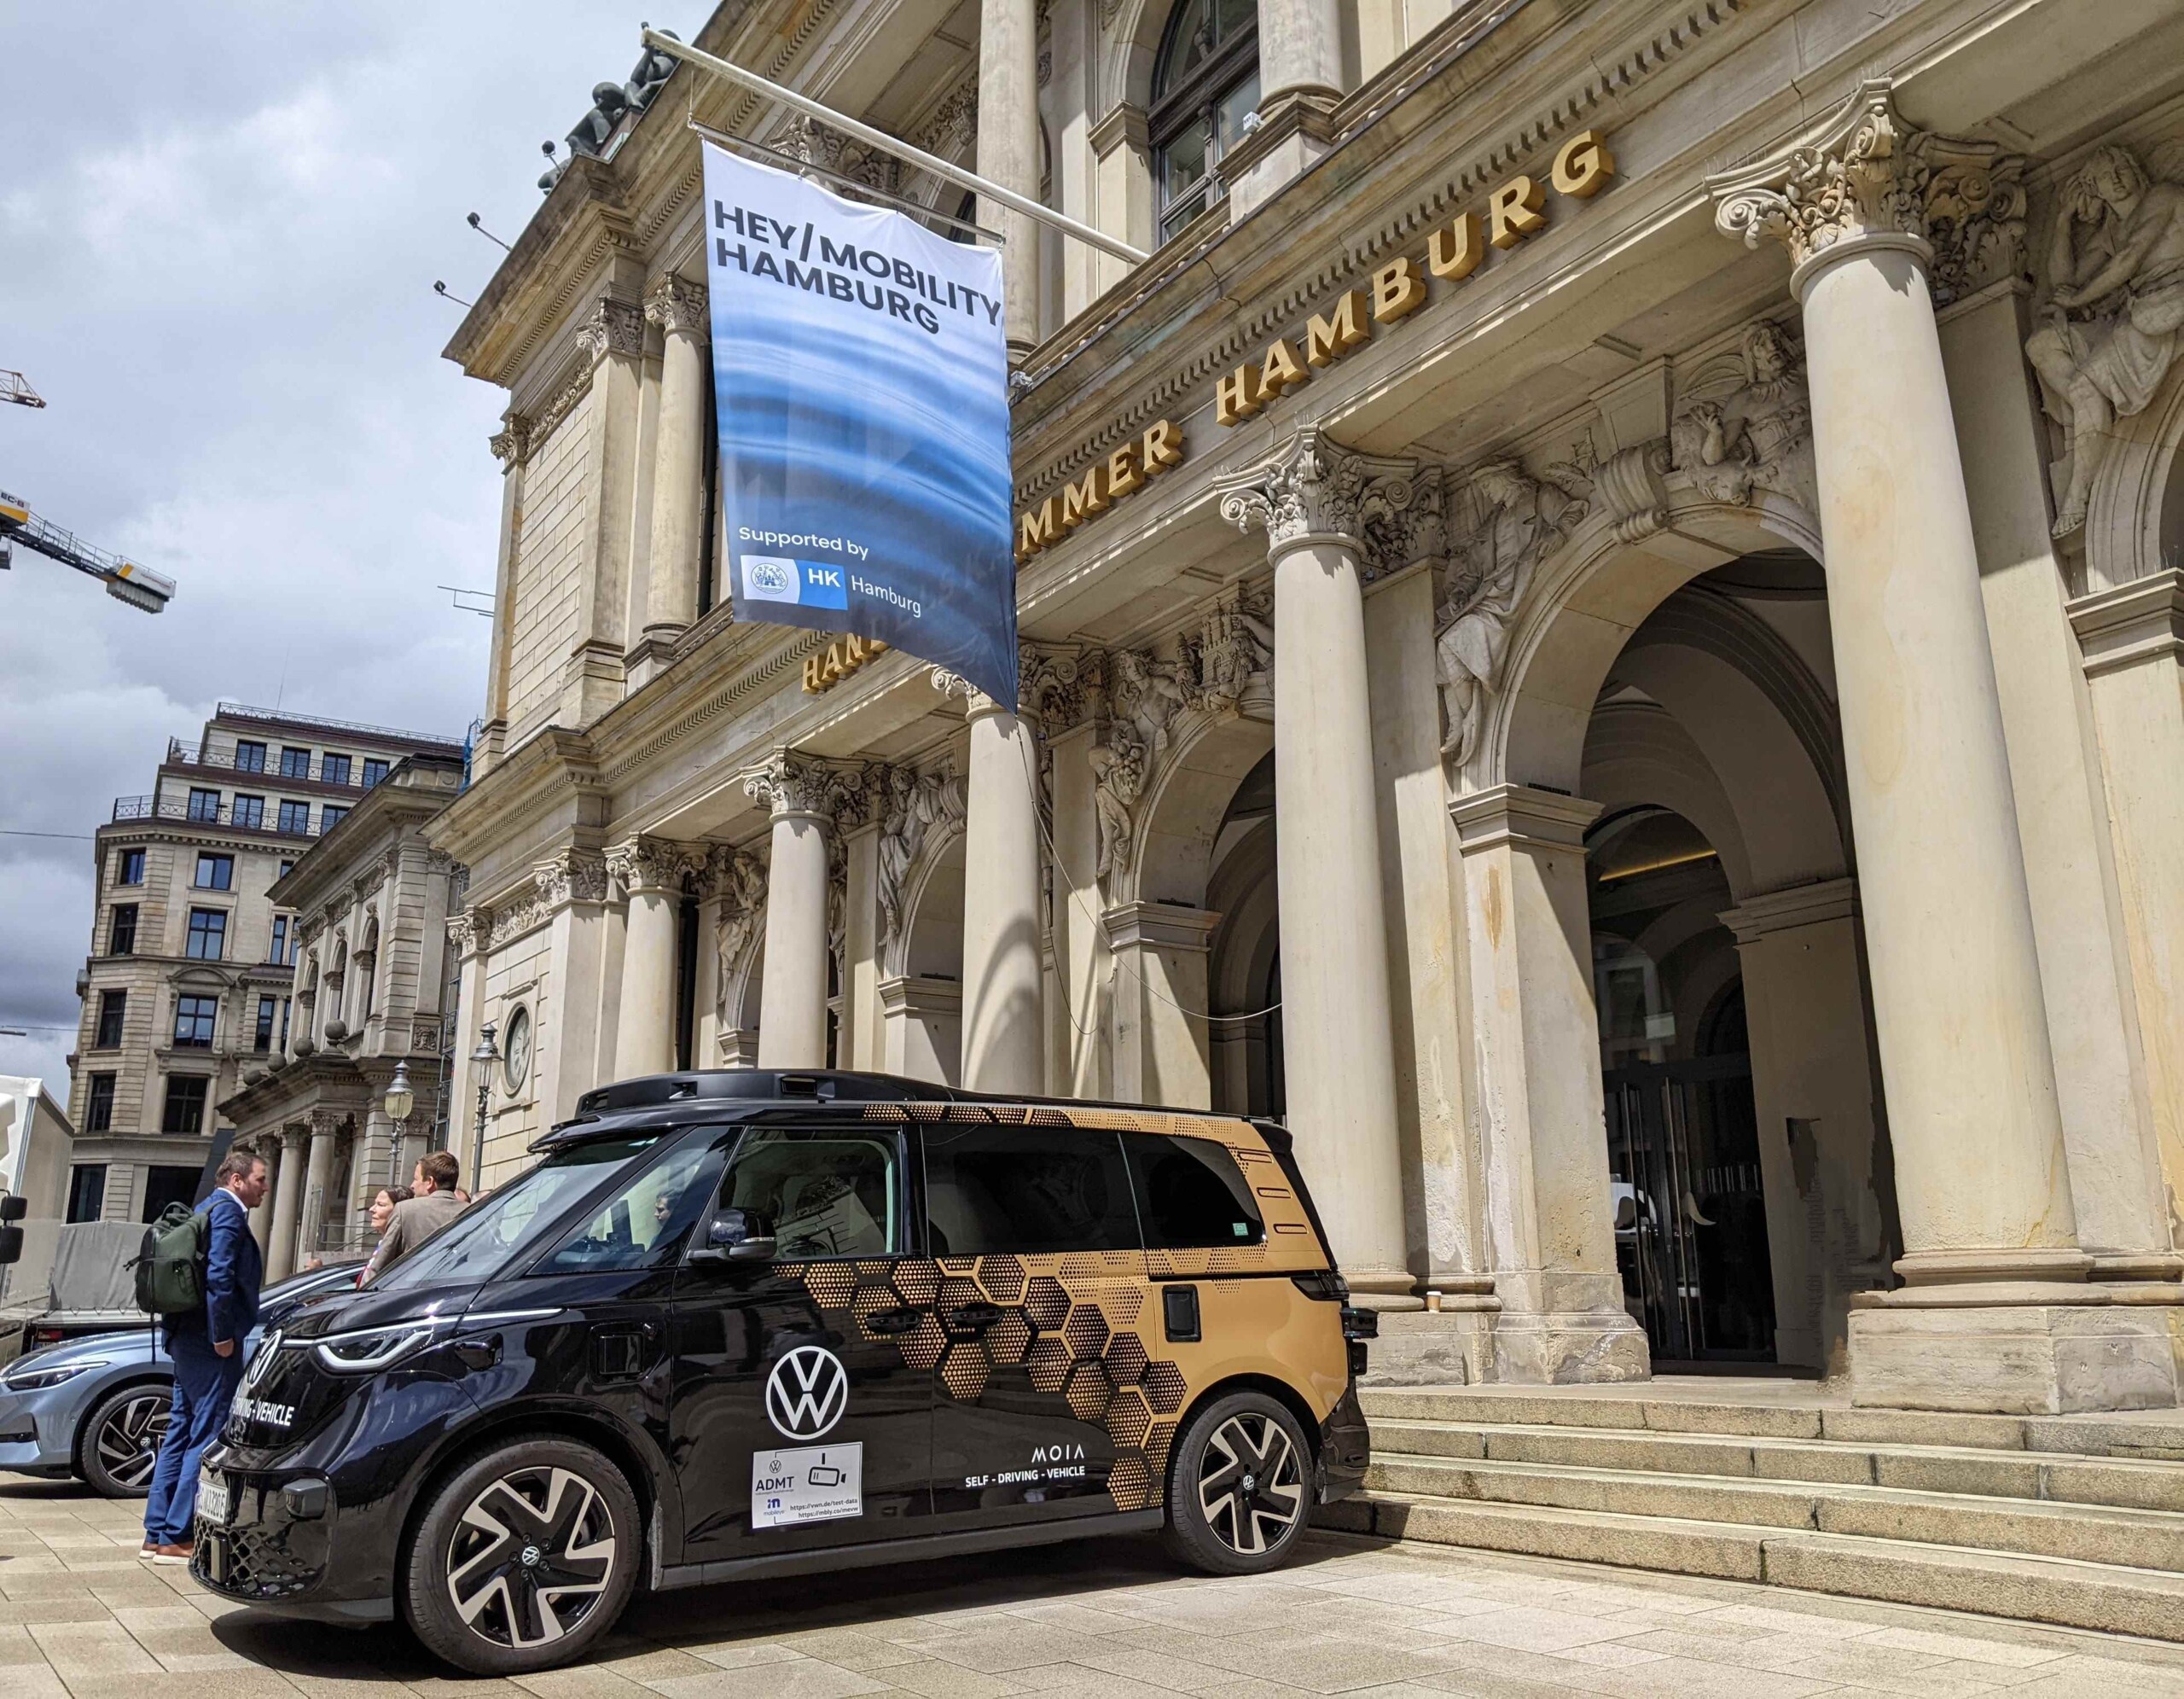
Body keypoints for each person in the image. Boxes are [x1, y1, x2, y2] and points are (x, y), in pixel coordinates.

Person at [141, 1148, 269, 1562]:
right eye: (259, 1180)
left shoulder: (205, 1207)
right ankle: (177, 1536)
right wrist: (222, 1336)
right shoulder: (229, 1213)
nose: (264, 1187)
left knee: (180, 1429)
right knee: (207, 1432)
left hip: (183, 1337)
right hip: (209, 1342)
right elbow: (219, 1275)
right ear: (236, 1180)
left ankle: (156, 1531)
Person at [361, 1151, 466, 1283]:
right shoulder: (475, 1211)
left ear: (430, 1182)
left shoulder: (404, 1210)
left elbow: (377, 1268)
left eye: (416, 1179)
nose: (412, 1185)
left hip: (411, 1296)